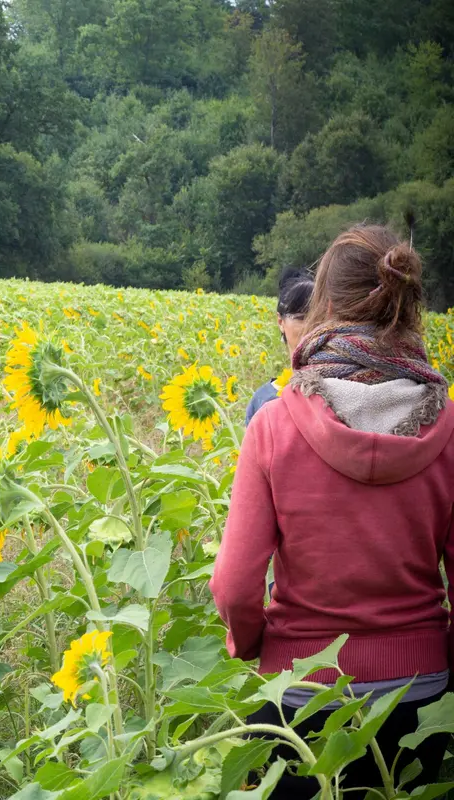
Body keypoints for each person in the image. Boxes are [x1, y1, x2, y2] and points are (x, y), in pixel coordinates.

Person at [211, 224, 454, 799]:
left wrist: (252, 647)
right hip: (419, 698)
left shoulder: (275, 422)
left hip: (301, 691)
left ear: (323, 305)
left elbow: (233, 585)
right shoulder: (448, 427)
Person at [246, 269, 315, 424]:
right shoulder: (263, 399)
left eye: (319, 318)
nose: (311, 327)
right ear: (280, 322)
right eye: (301, 318)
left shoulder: (338, 389)